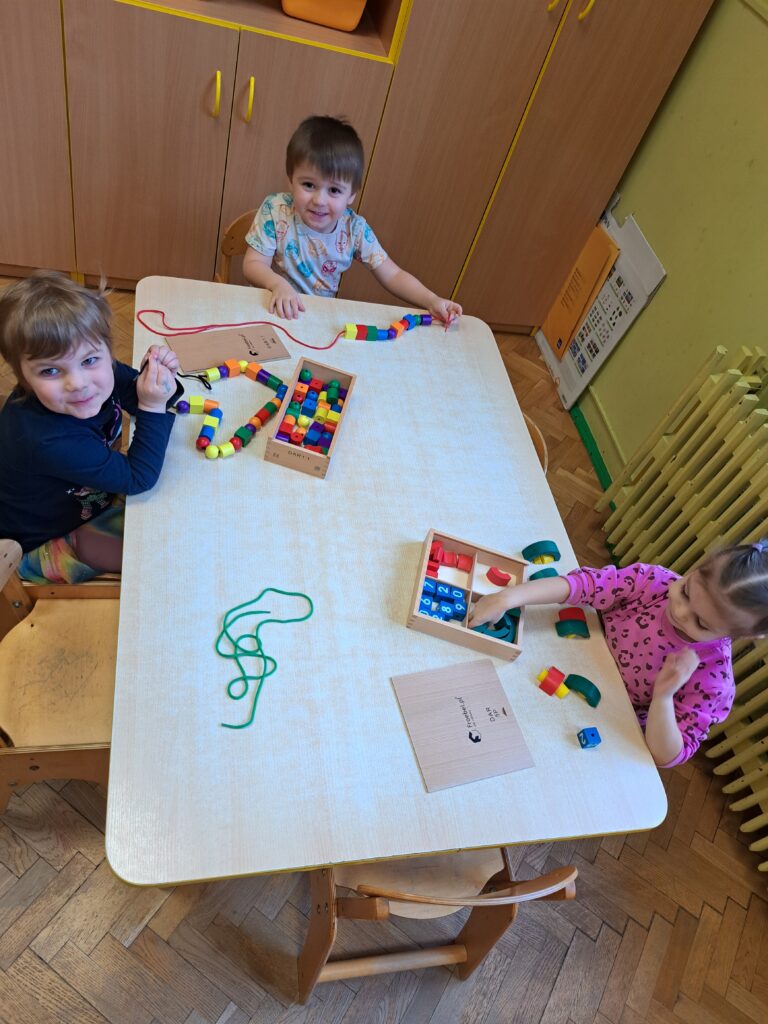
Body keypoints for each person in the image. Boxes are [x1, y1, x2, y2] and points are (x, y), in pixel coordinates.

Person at [468, 545, 768, 767]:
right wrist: (508, 597)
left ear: (740, 633)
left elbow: (667, 755)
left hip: (595, 716)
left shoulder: (714, 681)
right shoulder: (655, 582)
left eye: (701, 622)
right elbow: (586, 585)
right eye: (686, 591)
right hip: (568, 652)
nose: (679, 611)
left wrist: (663, 698)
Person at [0, 271, 181, 583]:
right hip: (43, 540)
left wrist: (158, 377)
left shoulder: (99, 372)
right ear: (22, 377)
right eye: (50, 370)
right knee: (161, 554)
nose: (78, 383)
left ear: (107, 352)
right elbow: (139, 478)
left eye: (89, 361)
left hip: (89, 496)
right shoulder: (48, 440)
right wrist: (153, 404)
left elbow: (149, 397)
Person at [243, 115, 463, 325]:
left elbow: (393, 275)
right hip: (271, 309)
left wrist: (432, 300)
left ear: (351, 195)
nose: (319, 200)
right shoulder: (275, 210)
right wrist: (278, 285)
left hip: (315, 319)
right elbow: (253, 264)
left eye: (334, 190)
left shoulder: (355, 230)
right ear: (291, 181)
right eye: (309, 185)